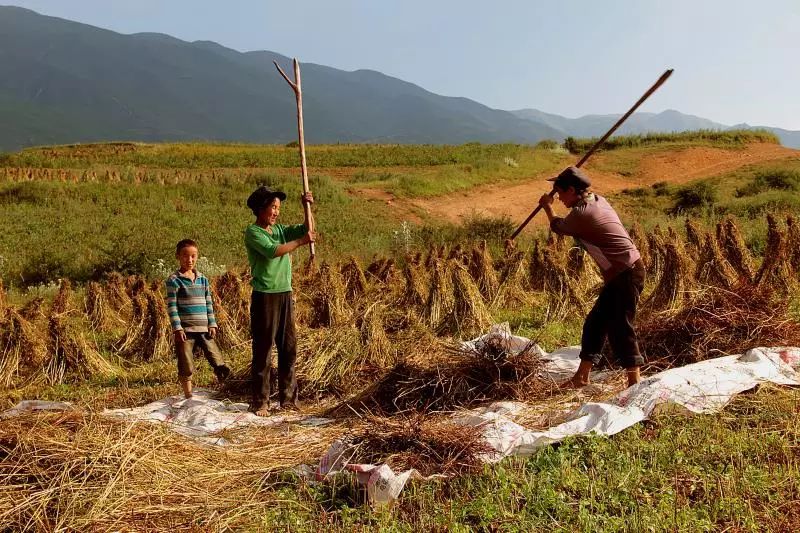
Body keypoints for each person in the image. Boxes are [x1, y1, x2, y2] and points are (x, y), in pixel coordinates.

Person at [538, 166, 645, 388]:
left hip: (626, 272)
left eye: (559, 193)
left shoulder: (583, 214)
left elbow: (558, 227)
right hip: (623, 271)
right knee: (595, 324)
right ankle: (581, 377)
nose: (558, 199)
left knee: (621, 326)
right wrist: (551, 200)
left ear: (571, 190)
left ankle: (634, 382)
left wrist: (546, 207)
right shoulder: (597, 200)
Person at [244, 186, 315, 416]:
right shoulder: (253, 232)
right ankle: (260, 401)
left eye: (278, 208)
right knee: (264, 348)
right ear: (260, 209)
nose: (276, 212)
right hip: (265, 295)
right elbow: (273, 251)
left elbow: (308, 229)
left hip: (285, 293)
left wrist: (307, 207)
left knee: (288, 348)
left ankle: (288, 399)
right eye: (272, 207)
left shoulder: (280, 230)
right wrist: (301, 242)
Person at [165, 239, 230, 399]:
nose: (190, 260)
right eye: (185, 256)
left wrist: (212, 323)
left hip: (204, 329)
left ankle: (226, 388)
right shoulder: (174, 280)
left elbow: (209, 303)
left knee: (217, 359)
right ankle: (188, 395)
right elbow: (172, 306)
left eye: (193, 256)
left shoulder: (203, 279)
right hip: (186, 331)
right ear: (178, 257)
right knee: (186, 363)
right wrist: (177, 328)